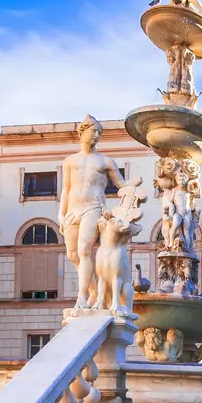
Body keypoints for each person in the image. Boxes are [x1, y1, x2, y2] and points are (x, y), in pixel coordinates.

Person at [58, 116, 127, 309]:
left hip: (93, 209)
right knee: (72, 255)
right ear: (83, 131)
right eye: (94, 131)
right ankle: (94, 291)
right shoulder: (70, 161)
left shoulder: (106, 162)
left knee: (84, 250)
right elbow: (66, 189)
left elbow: (121, 184)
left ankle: (81, 296)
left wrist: (137, 184)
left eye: (99, 133)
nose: (96, 136)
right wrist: (61, 214)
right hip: (73, 209)